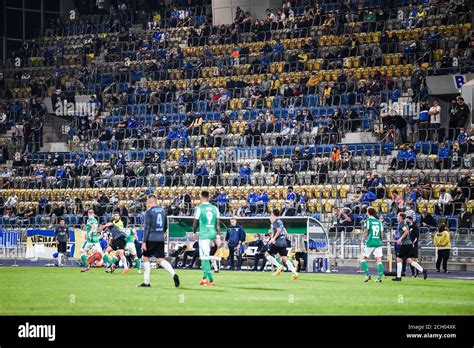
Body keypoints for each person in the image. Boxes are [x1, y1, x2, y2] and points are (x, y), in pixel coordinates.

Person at [138, 195, 180, 288]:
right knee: (160, 259)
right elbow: (165, 226)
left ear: (149, 202)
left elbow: (147, 227)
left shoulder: (149, 212)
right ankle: (173, 273)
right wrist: (160, 233)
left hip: (150, 238)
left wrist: (144, 242)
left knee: (145, 258)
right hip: (160, 238)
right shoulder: (162, 211)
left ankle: (146, 282)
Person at [193, 190, 220, 286]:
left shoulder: (199, 208)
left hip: (204, 234)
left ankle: (211, 280)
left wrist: (194, 232)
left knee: (204, 257)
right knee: (203, 255)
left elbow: (195, 222)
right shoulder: (215, 208)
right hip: (212, 232)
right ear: (209, 197)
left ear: (201, 197)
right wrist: (218, 235)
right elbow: (217, 223)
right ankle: (204, 278)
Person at [392, 213, 428, 282]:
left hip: (405, 244)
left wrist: (400, 239)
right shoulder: (405, 223)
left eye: (398, 216)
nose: (397, 217)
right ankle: (423, 270)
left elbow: (406, 232)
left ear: (400, 217)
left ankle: (398, 277)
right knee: (410, 260)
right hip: (409, 244)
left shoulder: (402, 223)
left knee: (399, 259)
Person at [264, 209, 299, 280]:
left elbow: (278, 231)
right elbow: (284, 231)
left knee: (266, 254)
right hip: (283, 241)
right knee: (285, 258)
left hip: (278, 241)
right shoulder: (280, 221)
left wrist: (273, 239)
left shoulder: (275, 222)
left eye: (271, 214)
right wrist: (272, 238)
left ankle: (279, 266)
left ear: (273, 214)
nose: (270, 216)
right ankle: (295, 273)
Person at [360, 207, 384, 283]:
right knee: (379, 260)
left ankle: (367, 275)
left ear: (369, 213)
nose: (366, 213)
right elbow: (382, 234)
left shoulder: (367, 220)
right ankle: (379, 277)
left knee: (362, 258)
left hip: (370, 242)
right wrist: (380, 240)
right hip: (378, 242)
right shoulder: (379, 221)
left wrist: (363, 239)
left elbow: (366, 232)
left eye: (367, 211)